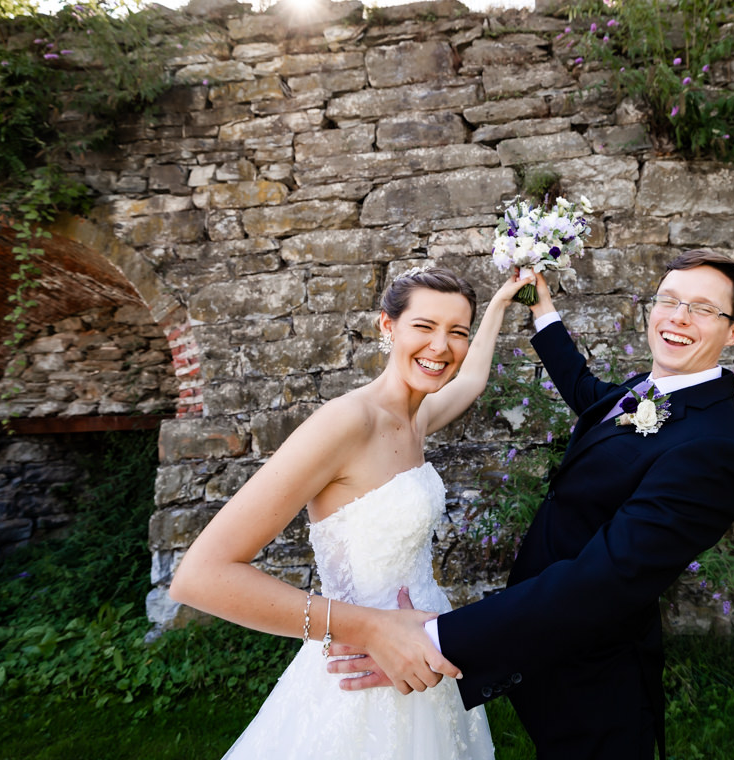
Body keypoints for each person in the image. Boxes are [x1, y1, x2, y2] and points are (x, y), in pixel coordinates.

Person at [329, 249, 734, 759]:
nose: (679, 317)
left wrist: (436, 640)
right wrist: (542, 311)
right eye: (669, 300)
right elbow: (588, 395)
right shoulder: (649, 392)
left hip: (595, 674)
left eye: (704, 309)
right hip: (546, 649)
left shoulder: (716, 446)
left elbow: (608, 576)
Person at [169, 266, 533, 760]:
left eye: (457, 332)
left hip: (424, 658)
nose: (441, 347)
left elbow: (470, 378)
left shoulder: (415, 415)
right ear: (388, 326)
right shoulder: (346, 423)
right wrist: (369, 627)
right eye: (424, 327)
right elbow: (199, 576)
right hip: (361, 670)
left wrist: (501, 304)